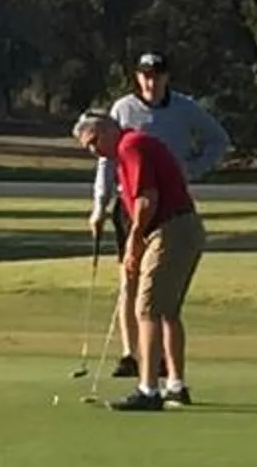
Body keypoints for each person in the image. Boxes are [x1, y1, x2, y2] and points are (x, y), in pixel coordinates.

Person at [87, 50, 230, 375]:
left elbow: (218, 140)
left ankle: (157, 361)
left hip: (165, 205)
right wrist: (100, 205)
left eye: (157, 75)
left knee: (158, 291)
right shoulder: (122, 109)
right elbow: (106, 161)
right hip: (129, 202)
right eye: (146, 75)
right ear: (137, 77)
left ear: (166, 77)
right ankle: (131, 353)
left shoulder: (184, 108)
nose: (151, 82)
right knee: (130, 278)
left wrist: (191, 170)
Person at [74, 109, 205, 411]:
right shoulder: (131, 147)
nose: (94, 151)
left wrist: (134, 239)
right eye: (88, 147)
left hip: (170, 228)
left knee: (147, 309)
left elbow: (147, 199)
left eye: (94, 142)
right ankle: (175, 385)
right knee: (168, 311)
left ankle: (148, 389)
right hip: (182, 228)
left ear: (109, 130)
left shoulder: (130, 146)